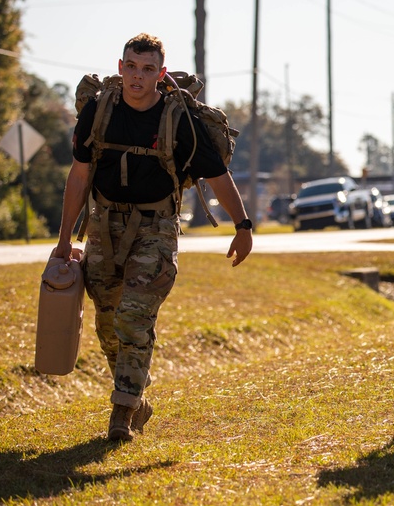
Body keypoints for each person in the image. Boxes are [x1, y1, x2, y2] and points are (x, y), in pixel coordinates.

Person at [52, 33, 253, 442]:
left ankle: (121, 412)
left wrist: (243, 226)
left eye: (148, 69)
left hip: (156, 228)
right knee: (108, 326)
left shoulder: (179, 119)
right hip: (103, 225)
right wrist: (62, 240)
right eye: (131, 67)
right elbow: (78, 176)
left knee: (133, 317)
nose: (137, 77)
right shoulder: (99, 110)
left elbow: (217, 175)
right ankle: (137, 397)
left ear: (160, 74)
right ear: (120, 67)